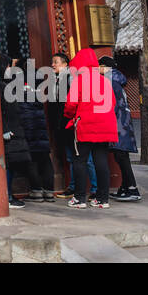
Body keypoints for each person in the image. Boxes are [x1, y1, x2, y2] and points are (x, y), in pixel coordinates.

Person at [63, 47, 117, 209]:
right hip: (105, 125)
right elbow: (112, 103)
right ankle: (102, 199)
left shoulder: (79, 81)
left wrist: (70, 115)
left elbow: (71, 105)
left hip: (85, 124)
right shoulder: (104, 80)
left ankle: (79, 198)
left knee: (79, 160)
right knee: (101, 161)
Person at [46, 52, 95, 197]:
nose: (52, 65)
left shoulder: (71, 79)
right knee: (71, 158)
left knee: (86, 158)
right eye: (52, 62)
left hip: (73, 123)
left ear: (65, 64)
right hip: (63, 124)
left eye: (56, 62)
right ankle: (73, 187)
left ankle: (94, 189)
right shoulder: (55, 80)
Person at [99, 55, 141, 201]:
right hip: (124, 122)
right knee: (121, 156)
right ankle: (125, 187)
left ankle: (132, 189)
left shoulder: (108, 81)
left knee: (121, 157)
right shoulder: (117, 80)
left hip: (117, 122)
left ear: (104, 67)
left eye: (99, 66)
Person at [13, 57, 55, 201]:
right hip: (40, 123)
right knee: (44, 158)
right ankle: (49, 191)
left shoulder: (18, 80)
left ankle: (36, 190)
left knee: (31, 159)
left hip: (26, 124)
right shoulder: (38, 80)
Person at [0, 54, 32, 209]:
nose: (9, 69)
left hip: (12, 129)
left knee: (10, 164)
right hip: (8, 131)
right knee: (7, 164)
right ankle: (7, 196)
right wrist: (5, 129)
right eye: (7, 66)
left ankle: (8, 195)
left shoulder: (4, 84)